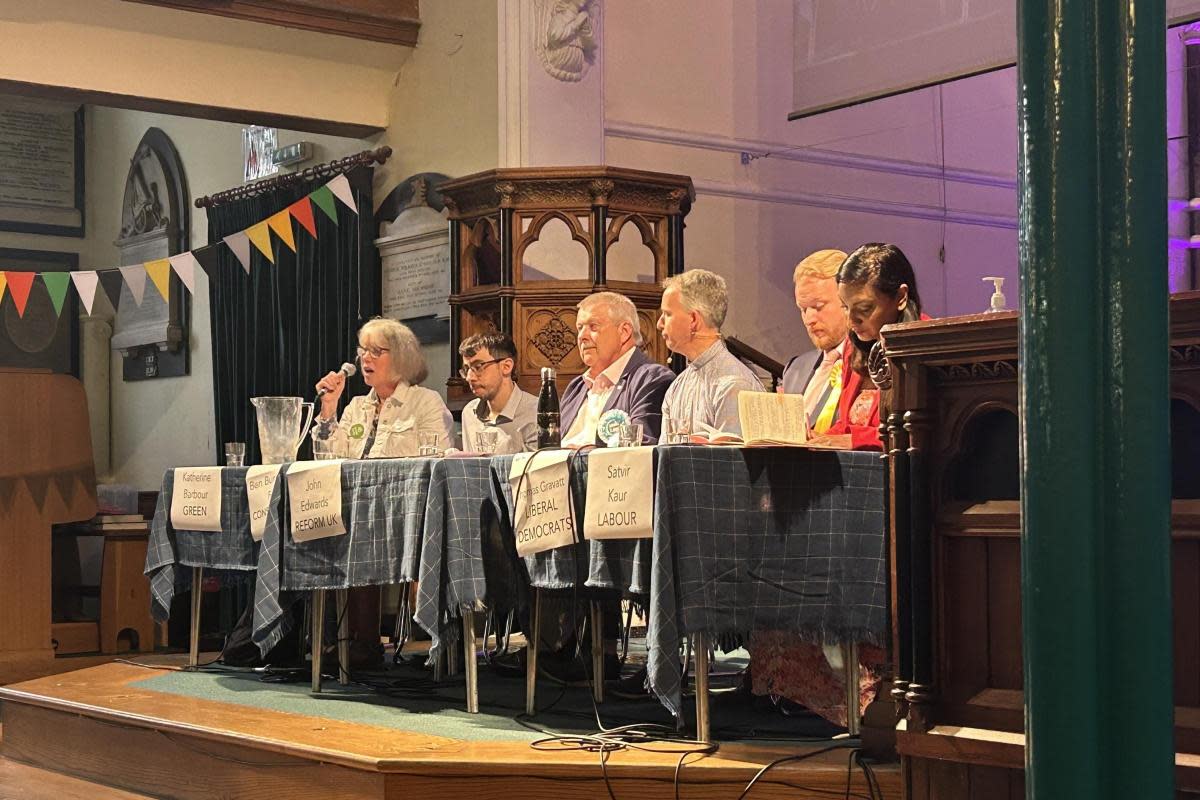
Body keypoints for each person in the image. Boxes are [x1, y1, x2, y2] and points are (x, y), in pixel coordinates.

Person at [823, 242, 926, 451]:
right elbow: (847, 424)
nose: (851, 320)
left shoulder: (925, 345)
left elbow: (922, 433)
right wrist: (814, 438)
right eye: (845, 307)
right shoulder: (855, 348)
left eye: (864, 308)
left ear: (901, 297)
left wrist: (857, 440)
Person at [312, 317, 452, 458]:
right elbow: (328, 462)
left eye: (375, 351)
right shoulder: (356, 407)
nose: (365, 358)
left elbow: (437, 464)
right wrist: (329, 407)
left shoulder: (425, 402)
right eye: (363, 350)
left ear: (401, 357)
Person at [561, 291, 674, 447]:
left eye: (593, 327)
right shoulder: (576, 387)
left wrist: (577, 456)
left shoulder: (652, 379)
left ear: (624, 332)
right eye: (580, 327)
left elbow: (641, 448)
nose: (582, 336)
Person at [658, 269, 763, 436]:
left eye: (667, 314)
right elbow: (664, 456)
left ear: (693, 320)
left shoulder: (735, 385)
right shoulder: (677, 387)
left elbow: (731, 461)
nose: (659, 324)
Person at [780, 249, 851, 435]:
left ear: (848, 302)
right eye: (803, 309)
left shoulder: (870, 369)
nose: (809, 319)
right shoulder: (794, 368)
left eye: (818, 306)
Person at [458, 332, 538, 454]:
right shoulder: (469, 413)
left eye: (478, 366)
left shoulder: (536, 412)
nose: (469, 377)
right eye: (466, 369)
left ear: (506, 367)